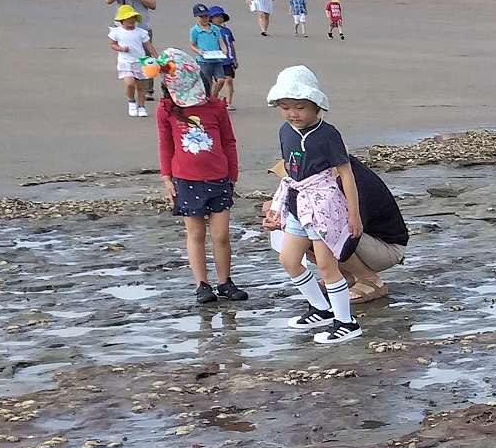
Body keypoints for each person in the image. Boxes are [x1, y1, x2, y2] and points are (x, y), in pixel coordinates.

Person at [267, 65, 364, 344]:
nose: (293, 114)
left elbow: (346, 173)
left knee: (326, 264)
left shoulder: (327, 134)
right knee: (288, 259)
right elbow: (289, 169)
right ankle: (321, 308)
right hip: (298, 202)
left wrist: (353, 214)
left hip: (323, 204)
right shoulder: (285, 132)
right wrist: (278, 206)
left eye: (300, 107)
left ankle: (346, 322)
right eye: (285, 107)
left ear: (316, 105)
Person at [154, 49, 245, 305]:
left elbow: (229, 142)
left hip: (219, 178)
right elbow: (165, 145)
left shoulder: (215, 107)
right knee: (195, 234)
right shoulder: (167, 110)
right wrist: (167, 178)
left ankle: (225, 282)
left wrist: (233, 174)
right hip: (186, 179)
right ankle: (202, 284)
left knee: (221, 235)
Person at [264, 156, 410, 305]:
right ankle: (344, 275)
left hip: (386, 248)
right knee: (298, 228)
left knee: (318, 227)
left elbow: (351, 227)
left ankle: (368, 279)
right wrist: (279, 212)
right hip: (365, 242)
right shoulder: (324, 181)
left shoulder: (352, 182)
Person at [105, 0, 159, 103]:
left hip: (142, 26)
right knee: (128, 56)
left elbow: (152, 5)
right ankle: (132, 86)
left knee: (146, 57)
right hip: (123, 28)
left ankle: (148, 89)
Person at [109, 4, 156, 117]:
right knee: (130, 83)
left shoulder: (141, 32)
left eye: (133, 18)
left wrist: (156, 57)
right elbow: (113, 45)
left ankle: (141, 107)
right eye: (128, 18)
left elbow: (149, 46)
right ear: (122, 20)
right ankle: (131, 101)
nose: (131, 20)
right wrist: (121, 49)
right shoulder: (116, 32)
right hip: (125, 62)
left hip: (139, 61)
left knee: (141, 87)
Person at [188, 3, 227, 94]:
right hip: (204, 61)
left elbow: (220, 41)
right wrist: (199, 51)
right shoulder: (194, 30)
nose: (204, 19)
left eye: (206, 16)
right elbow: (192, 45)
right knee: (207, 82)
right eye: (202, 17)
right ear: (197, 17)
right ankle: (209, 97)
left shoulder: (215, 29)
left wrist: (224, 49)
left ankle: (214, 94)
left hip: (217, 59)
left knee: (221, 80)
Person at [208, 5, 239, 102]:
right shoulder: (209, 31)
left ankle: (229, 102)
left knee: (229, 80)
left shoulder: (227, 31)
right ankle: (214, 96)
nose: (219, 19)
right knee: (219, 81)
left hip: (228, 60)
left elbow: (231, 45)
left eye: (221, 16)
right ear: (211, 19)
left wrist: (234, 59)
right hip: (216, 59)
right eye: (216, 16)